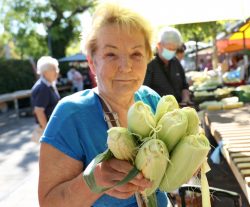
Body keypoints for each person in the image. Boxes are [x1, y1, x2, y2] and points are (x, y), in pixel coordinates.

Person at [38, 3, 168, 207]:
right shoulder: (71, 115)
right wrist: (93, 180)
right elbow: (48, 202)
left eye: (136, 54)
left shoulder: (151, 100)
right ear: (92, 62)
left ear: (148, 58)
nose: (126, 67)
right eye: (111, 54)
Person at [143, 27, 191, 105]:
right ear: (159, 45)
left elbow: (184, 85)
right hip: (158, 112)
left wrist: (185, 98)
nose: (171, 52)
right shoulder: (149, 64)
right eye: (169, 48)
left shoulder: (175, 62)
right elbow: (144, 92)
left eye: (174, 49)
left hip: (179, 108)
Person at [31, 56, 60, 132]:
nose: (57, 71)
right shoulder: (42, 88)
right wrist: (47, 132)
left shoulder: (49, 85)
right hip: (49, 129)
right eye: (54, 69)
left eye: (57, 68)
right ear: (45, 72)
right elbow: (39, 111)